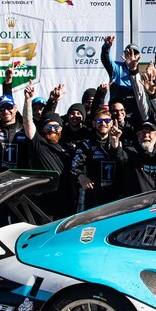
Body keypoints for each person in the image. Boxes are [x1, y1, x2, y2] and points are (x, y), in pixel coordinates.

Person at [21, 83, 76, 219]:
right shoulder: (39, 143)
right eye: (48, 127)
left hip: (66, 203)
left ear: (61, 129)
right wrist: (28, 100)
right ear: (42, 129)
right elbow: (28, 122)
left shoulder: (67, 148)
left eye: (56, 127)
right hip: (43, 206)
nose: (52, 130)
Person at [71, 107, 124, 211]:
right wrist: (80, 176)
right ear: (94, 123)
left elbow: (123, 163)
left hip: (115, 197)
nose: (103, 123)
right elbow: (74, 167)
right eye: (99, 121)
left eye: (107, 121)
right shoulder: (86, 145)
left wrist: (115, 142)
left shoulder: (119, 142)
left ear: (112, 123)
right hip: (92, 197)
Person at [113, 121, 156, 195]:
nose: (146, 135)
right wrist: (115, 143)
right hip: (136, 203)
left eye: (150, 132)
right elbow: (119, 156)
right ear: (138, 135)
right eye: (143, 132)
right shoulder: (130, 152)